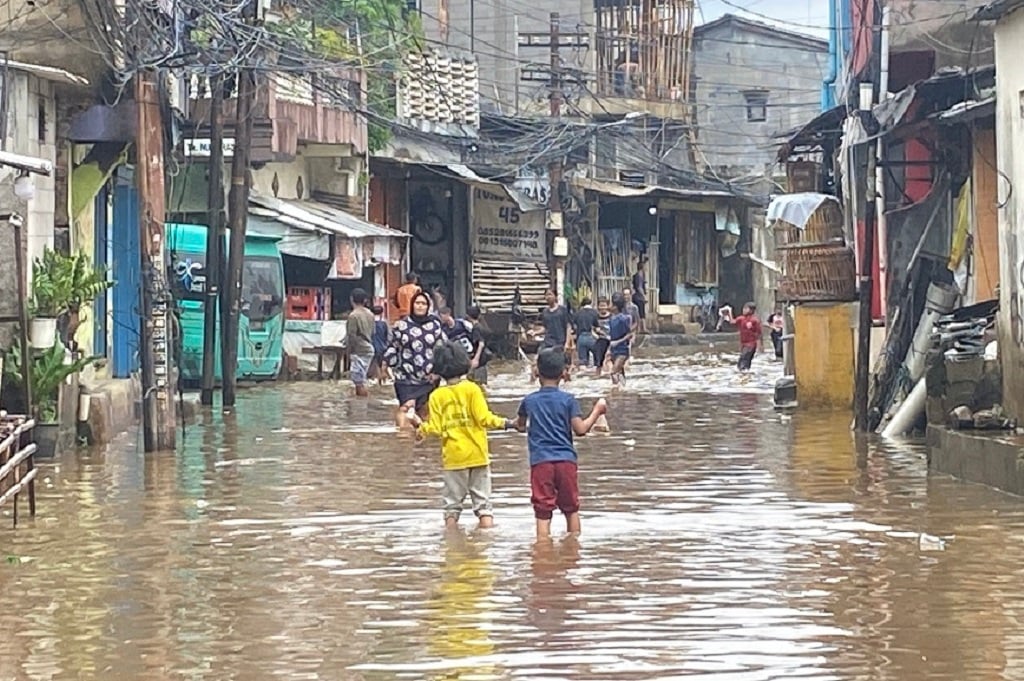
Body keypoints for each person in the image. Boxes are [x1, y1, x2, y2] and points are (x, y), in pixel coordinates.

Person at [410, 341, 516, 530]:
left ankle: (451, 543)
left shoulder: (436, 396)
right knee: (484, 506)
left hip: (453, 458)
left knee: (451, 507)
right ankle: (486, 541)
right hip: (478, 455)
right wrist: (508, 423)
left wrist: (421, 429)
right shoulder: (472, 389)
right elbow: (485, 419)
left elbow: (437, 427)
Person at [515, 349, 607, 538]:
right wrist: (597, 411)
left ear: (536, 373)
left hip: (541, 463)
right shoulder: (568, 400)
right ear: (564, 373)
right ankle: (573, 550)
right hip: (566, 461)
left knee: (542, 512)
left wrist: (508, 424)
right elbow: (580, 429)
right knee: (571, 509)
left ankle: (542, 551)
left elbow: (520, 425)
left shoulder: (529, 401)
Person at [385, 291, 445, 425]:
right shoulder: (401, 326)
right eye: (417, 303)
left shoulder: (435, 327)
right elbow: (392, 347)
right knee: (406, 407)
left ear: (428, 306)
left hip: (428, 377)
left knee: (423, 411)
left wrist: (438, 372)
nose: (420, 306)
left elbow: (442, 350)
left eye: (423, 304)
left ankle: (421, 440)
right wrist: (386, 366)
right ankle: (403, 437)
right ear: (412, 305)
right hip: (405, 375)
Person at [345, 288, 376, 397]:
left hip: (359, 350)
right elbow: (373, 332)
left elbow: (351, 336)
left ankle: (362, 407)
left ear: (351, 299)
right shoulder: (370, 314)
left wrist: (349, 352)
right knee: (361, 380)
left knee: (359, 382)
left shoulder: (353, 316)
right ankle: (360, 405)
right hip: (369, 348)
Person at [723, 302, 764, 372]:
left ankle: (744, 375)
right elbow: (732, 322)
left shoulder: (755, 320)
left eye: (746, 309)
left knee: (744, 360)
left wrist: (760, 346)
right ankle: (745, 376)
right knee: (741, 362)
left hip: (751, 344)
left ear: (751, 310)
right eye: (743, 308)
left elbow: (759, 334)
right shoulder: (741, 318)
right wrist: (729, 312)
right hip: (743, 344)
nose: (743, 310)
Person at [608, 293, 634, 386]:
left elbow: (629, 334)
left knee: (613, 372)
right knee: (620, 373)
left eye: (611, 304)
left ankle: (616, 390)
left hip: (622, 350)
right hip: (614, 350)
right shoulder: (611, 319)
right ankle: (622, 390)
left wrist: (618, 342)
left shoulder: (623, 319)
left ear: (615, 306)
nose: (609, 306)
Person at [466, 306, 492, 386]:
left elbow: (481, 343)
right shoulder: (482, 326)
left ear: (468, 316)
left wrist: (475, 359)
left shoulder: (476, 328)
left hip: (479, 360)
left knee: (478, 384)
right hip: (483, 360)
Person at [572, 297, 600, 369]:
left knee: (582, 363)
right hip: (591, 337)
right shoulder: (594, 312)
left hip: (581, 338)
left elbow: (573, 326)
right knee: (597, 362)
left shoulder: (577, 313)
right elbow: (597, 327)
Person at [541, 289, 572, 354]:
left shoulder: (562, 310)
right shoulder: (545, 312)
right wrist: (535, 332)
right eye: (546, 295)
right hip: (548, 342)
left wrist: (567, 343)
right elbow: (545, 328)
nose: (548, 297)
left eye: (550, 294)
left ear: (555, 296)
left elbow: (568, 326)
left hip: (559, 343)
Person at [371, 304, 391, 384]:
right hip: (383, 346)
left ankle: (378, 378)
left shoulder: (371, 323)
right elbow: (388, 335)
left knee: (376, 364)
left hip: (373, 345)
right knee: (383, 363)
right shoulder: (384, 323)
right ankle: (383, 378)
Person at [593, 297, 613, 377]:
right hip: (601, 340)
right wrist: (596, 333)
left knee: (611, 360)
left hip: (611, 340)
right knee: (599, 362)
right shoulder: (595, 317)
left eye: (604, 305)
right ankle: (597, 376)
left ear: (608, 306)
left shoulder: (612, 316)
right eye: (601, 306)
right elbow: (592, 328)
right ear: (598, 307)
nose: (602, 308)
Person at [631, 260, 648, 334]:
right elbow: (639, 287)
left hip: (636, 296)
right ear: (642, 267)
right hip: (639, 296)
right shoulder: (639, 276)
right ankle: (643, 328)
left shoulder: (637, 275)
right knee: (641, 313)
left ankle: (639, 329)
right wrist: (644, 296)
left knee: (639, 313)